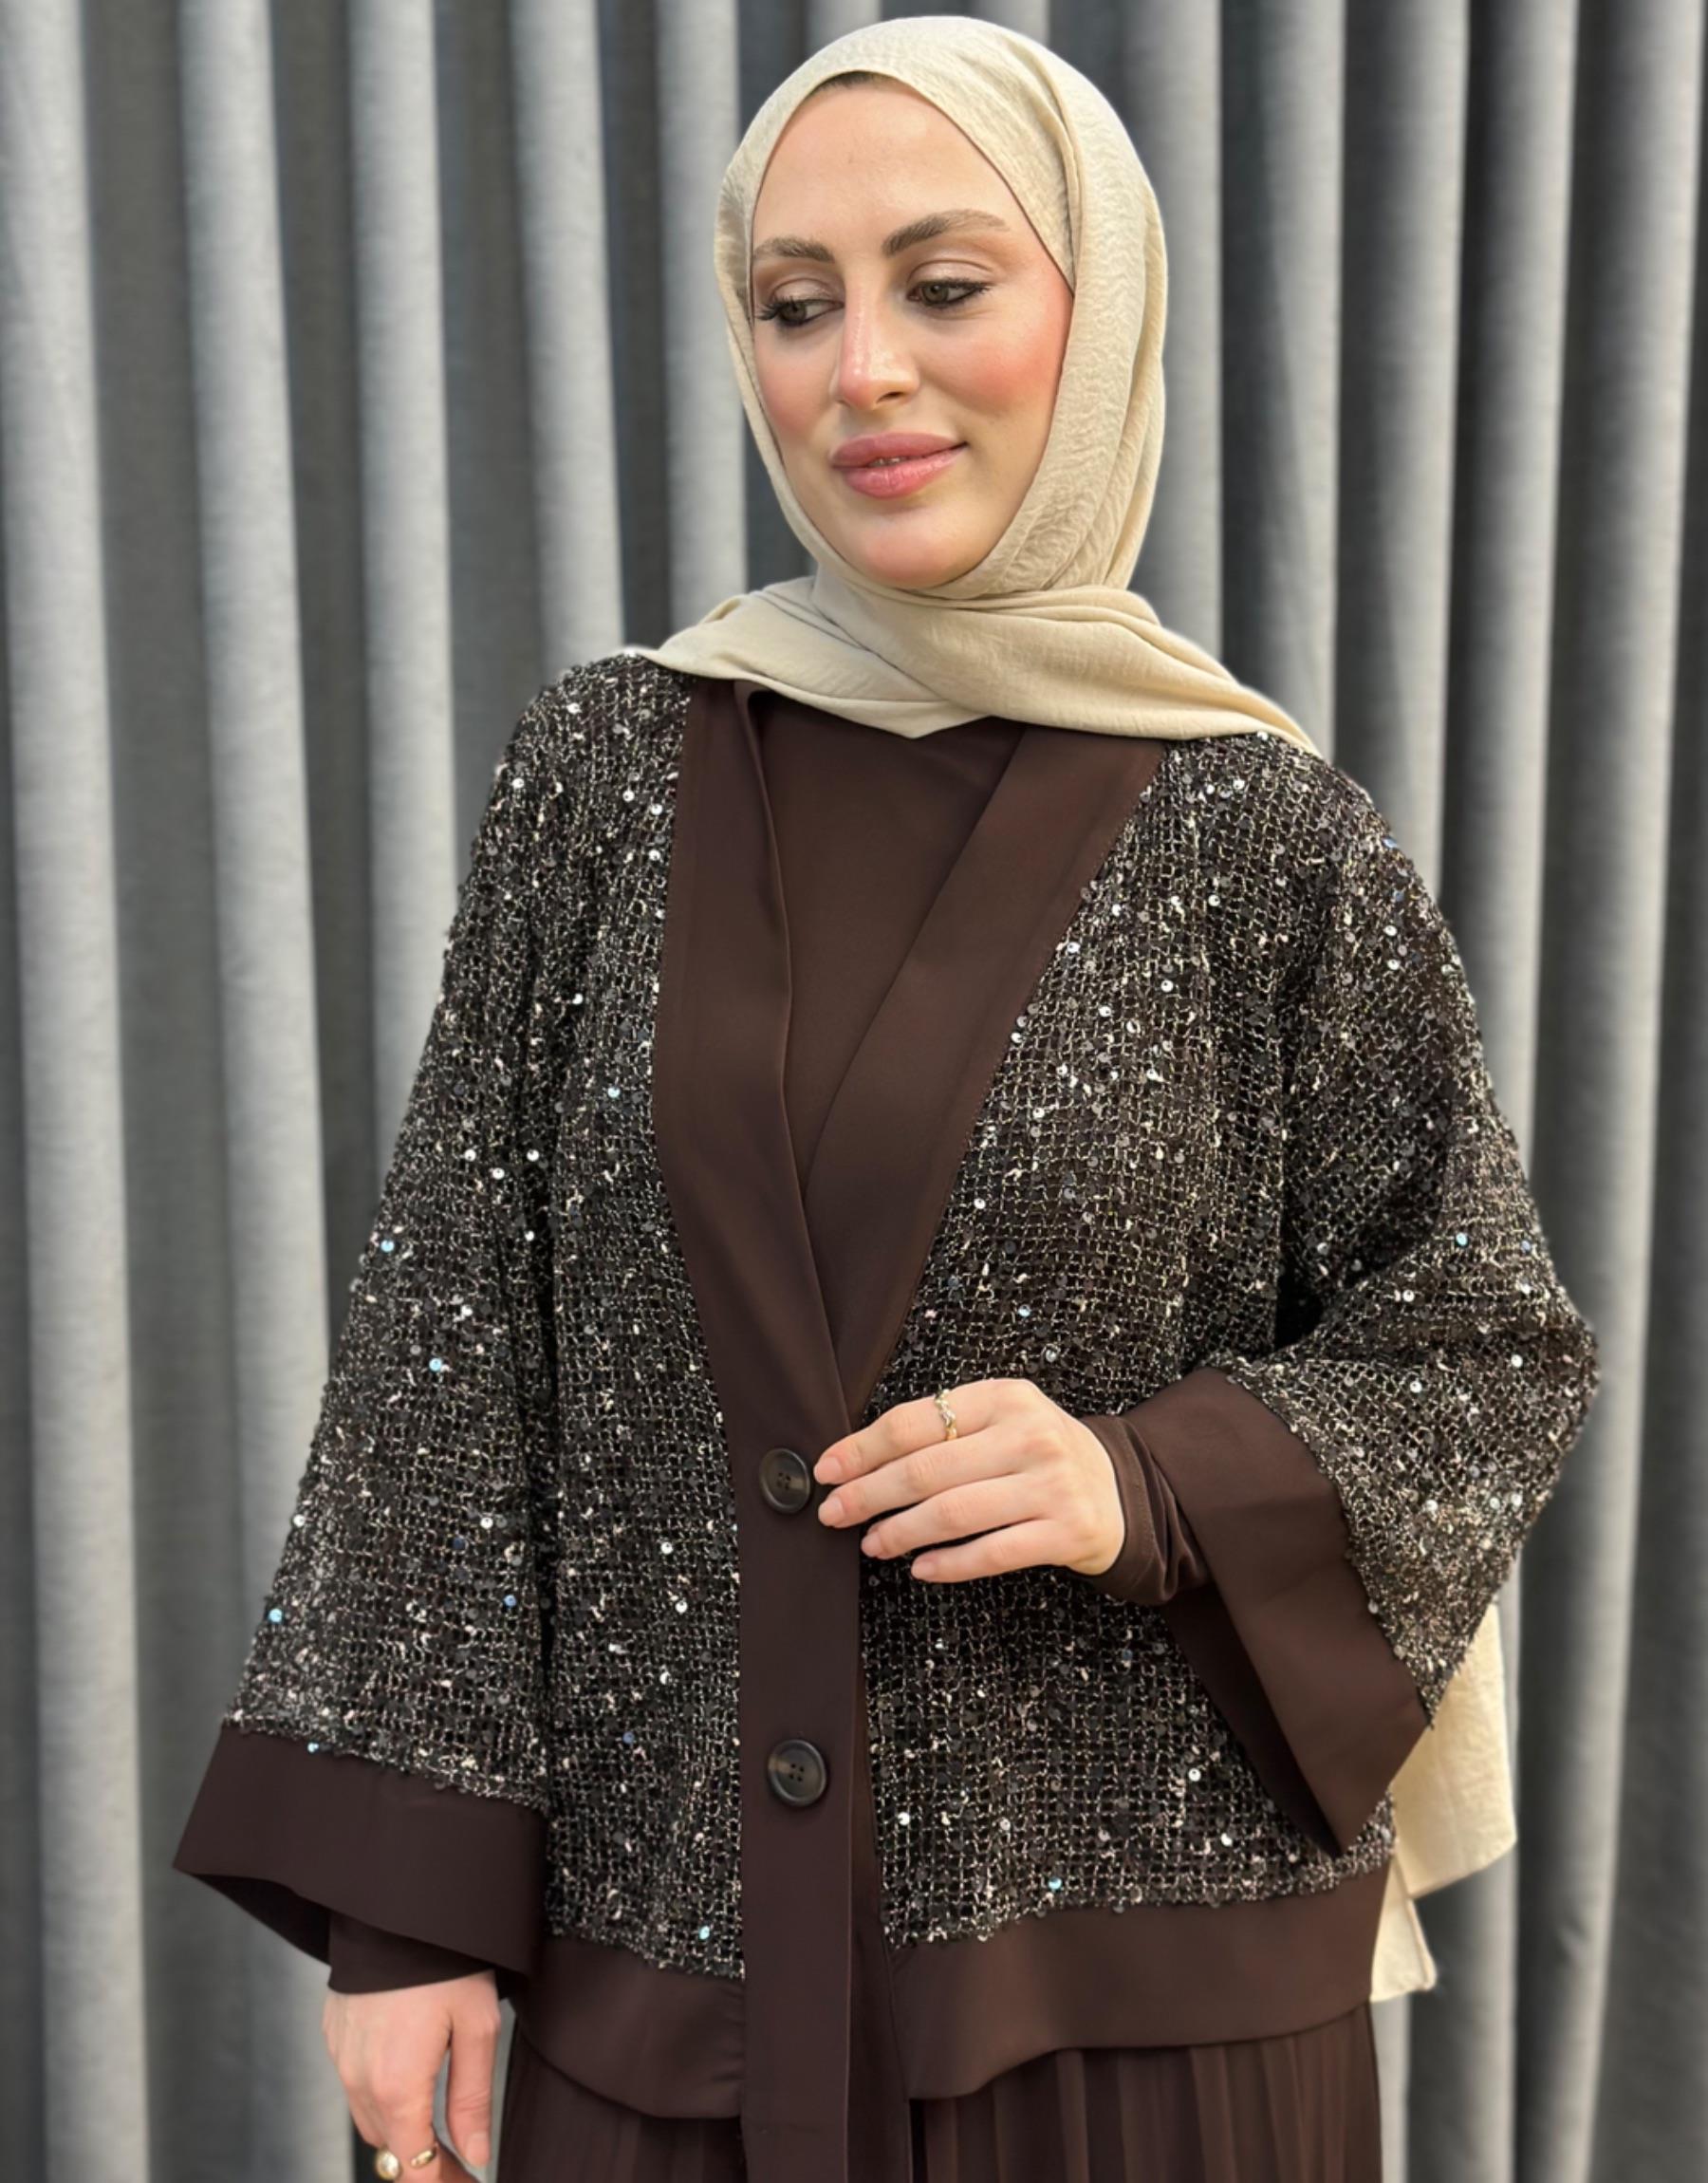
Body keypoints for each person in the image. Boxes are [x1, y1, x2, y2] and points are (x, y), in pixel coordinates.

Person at [172, 18, 1602, 2181]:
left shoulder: (1269, 834)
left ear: (1095, 312)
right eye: (794, 302)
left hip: (1150, 2028)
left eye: (943, 286)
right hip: (665, 1993)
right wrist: (406, 1922)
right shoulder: (606, 773)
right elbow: (455, 1334)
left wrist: (1147, 1481)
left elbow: (1480, 1345)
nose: (864, 373)